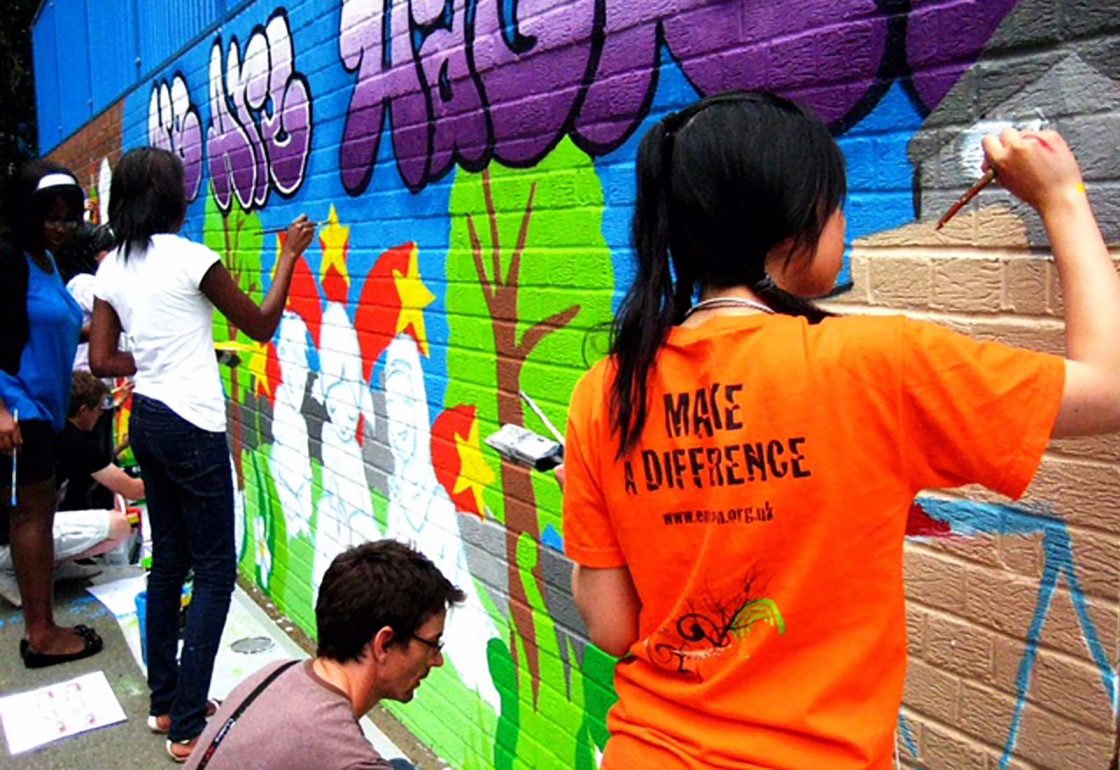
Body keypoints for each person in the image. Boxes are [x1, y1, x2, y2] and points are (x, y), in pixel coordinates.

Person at [560, 91, 1120, 770]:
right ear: (793, 223)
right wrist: (1061, 197)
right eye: (836, 204)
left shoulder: (607, 394)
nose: (844, 224)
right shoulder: (874, 366)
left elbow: (615, 628)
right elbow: (1108, 389)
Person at [89, 147, 316, 762]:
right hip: (192, 425)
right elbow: (262, 326)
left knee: (169, 563)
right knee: (215, 569)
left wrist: (160, 358)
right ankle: (189, 722)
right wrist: (290, 256)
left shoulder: (113, 267)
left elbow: (105, 360)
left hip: (150, 422)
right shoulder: (191, 258)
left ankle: (166, 703)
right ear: (172, 198)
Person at [181, 539, 462, 770]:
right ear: (384, 643)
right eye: (432, 644)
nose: (437, 660)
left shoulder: (279, 672)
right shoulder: (347, 758)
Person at [0, 161, 104, 669]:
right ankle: (40, 635)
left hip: (42, 407)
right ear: (27, 213)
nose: (62, 227)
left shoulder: (44, 260)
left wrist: (110, 337)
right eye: (51, 216)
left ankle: (43, 627)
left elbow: (51, 328)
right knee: (31, 520)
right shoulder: (8, 258)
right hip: (17, 412)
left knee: (38, 517)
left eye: (69, 217)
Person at [0, 371, 141, 607]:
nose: (100, 416)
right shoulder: (74, 441)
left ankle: (50, 567)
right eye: (99, 409)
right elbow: (133, 490)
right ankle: (11, 569)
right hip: (10, 538)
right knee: (119, 526)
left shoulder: (47, 427)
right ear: (84, 410)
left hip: (13, 526)